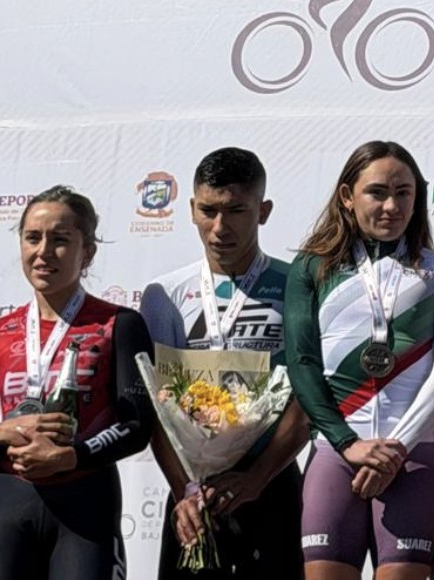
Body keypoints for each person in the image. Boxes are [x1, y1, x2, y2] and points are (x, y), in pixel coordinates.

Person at [285, 140, 434, 580]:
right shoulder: (311, 269)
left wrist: (396, 451)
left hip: (413, 456)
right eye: (377, 192)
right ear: (348, 197)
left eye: (404, 193)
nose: (392, 205)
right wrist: (347, 443)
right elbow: (303, 364)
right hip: (336, 454)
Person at [0, 185, 155, 579]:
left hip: (85, 506)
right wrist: (5, 431)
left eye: (60, 240)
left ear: (88, 252)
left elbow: (136, 427)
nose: (43, 251)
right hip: (8, 506)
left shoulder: (120, 324)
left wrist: (72, 455)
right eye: (33, 238)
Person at [139, 147, 308, 579]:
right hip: (192, 496)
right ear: (192, 209)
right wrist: (186, 491)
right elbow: (156, 409)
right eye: (208, 210)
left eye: (236, 210)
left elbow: (308, 397)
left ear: (263, 211)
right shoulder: (165, 295)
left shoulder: (298, 285)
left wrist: (258, 477)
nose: (220, 227)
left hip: (272, 482)